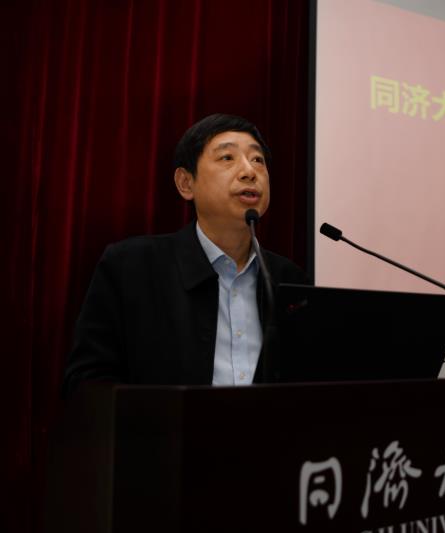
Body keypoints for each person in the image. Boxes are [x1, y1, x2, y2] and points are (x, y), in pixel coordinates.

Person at [62, 114, 308, 395]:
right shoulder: (131, 267)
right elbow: (87, 383)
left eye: (258, 160)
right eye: (227, 158)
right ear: (186, 183)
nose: (249, 171)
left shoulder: (288, 279)